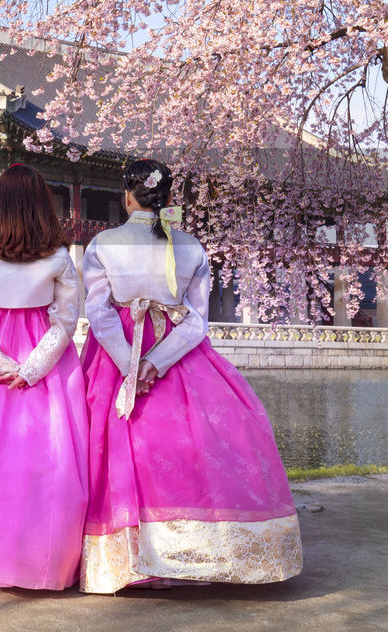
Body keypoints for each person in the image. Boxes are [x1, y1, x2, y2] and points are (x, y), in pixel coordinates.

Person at [79, 159, 302, 594]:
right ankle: (201, 553)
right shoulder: (191, 247)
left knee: (120, 447)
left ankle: (127, 559)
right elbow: (197, 321)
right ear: (167, 198)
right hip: (179, 354)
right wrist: (156, 362)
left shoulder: (103, 243)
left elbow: (100, 312)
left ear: (127, 195)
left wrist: (130, 363)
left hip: (117, 354)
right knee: (199, 447)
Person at [0, 163, 88, 590]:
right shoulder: (59, 258)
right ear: (43, 207)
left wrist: (1, 363)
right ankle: (47, 565)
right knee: (49, 464)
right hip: (48, 366)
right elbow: (66, 322)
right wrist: (32, 368)